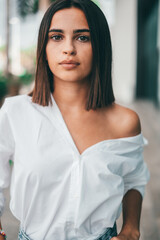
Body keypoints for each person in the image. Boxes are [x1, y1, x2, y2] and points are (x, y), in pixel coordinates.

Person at [0, 0, 150, 239]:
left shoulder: (125, 121)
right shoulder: (15, 112)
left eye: (83, 38)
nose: (68, 48)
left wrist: (131, 229)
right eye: (57, 37)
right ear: (44, 47)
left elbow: (134, 179)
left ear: (99, 45)